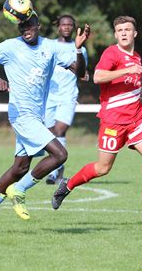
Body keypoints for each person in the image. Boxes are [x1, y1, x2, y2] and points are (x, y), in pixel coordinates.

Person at [0, 12, 90, 233]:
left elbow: (80, 73)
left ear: (38, 25)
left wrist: (79, 49)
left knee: (20, 167)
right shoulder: (9, 47)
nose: (25, 30)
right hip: (21, 114)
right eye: (21, 27)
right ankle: (20, 190)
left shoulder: (51, 48)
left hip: (37, 116)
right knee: (60, 155)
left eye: (29, 25)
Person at [51, 16, 142, 228]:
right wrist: (126, 70)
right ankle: (67, 185)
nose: (124, 33)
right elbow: (98, 77)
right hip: (113, 122)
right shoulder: (111, 53)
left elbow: (130, 86)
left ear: (135, 34)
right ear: (115, 35)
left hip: (136, 118)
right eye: (120, 30)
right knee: (102, 168)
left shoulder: (136, 57)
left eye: (127, 29)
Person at [45, 14, 89, 185]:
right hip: (48, 97)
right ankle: (58, 167)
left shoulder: (80, 48)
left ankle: (55, 172)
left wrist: (84, 74)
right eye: (64, 25)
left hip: (68, 96)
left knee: (60, 130)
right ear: (58, 27)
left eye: (70, 25)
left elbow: (82, 72)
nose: (67, 27)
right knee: (49, 135)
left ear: (73, 27)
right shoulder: (50, 46)